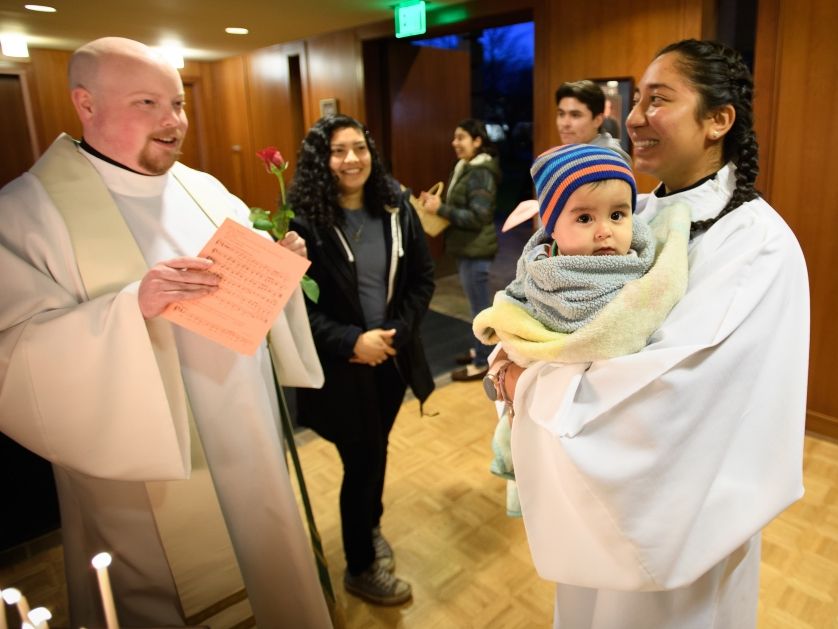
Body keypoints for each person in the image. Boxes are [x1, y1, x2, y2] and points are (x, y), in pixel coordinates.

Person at [0, 38, 332, 628]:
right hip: (145, 472)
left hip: (245, 435)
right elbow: (15, 354)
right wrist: (130, 310)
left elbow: (249, 297)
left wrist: (276, 268)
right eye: (147, 103)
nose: (172, 122)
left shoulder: (201, 189)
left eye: (177, 103)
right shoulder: (26, 212)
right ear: (86, 104)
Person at [498, 39, 810, 628]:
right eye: (636, 98)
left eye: (658, 99)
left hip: (676, 520)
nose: (635, 116)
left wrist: (528, 386)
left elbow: (672, 402)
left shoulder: (755, 245)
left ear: (718, 120)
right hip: (595, 512)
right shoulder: (634, 212)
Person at [473, 144, 689, 516]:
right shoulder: (540, 272)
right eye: (585, 219)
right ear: (552, 226)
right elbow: (513, 311)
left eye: (618, 214)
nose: (605, 231)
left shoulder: (643, 269)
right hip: (544, 419)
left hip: (615, 433)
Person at [288, 114, 435, 606]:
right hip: (341, 368)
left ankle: (370, 528)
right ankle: (360, 566)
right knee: (363, 459)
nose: (352, 159)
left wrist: (398, 332)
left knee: (375, 452)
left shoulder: (396, 206)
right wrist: (352, 341)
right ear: (321, 161)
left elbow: (422, 278)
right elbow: (297, 306)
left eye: (360, 148)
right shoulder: (303, 222)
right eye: (338, 151)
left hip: (391, 360)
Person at [420, 118, 500, 381]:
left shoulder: (481, 172)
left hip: (476, 250)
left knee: (480, 309)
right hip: (466, 248)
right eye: (455, 137)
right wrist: (437, 204)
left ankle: (483, 361)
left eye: (461, 137)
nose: (455, 143)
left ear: (477, 141)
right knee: (476, 306)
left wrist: (440, 210)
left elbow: (478, 216)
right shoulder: (465, 166)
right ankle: (480, 349)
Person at [555, 80, 632, 165]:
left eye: (575, 115)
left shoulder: (608, 160)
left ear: (597, 120)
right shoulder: (571, 153)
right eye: (561, 114)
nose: (565, 124)